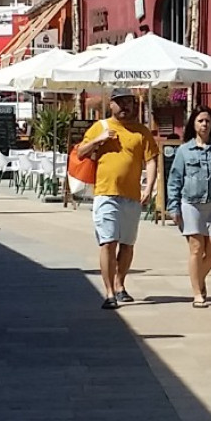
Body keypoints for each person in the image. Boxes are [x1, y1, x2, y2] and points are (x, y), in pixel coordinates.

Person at [74, 93, 160, 308]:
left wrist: (149, 187)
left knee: (128, 244)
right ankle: (109, 292)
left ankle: (120, 284)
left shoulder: (142, 131)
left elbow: (150, 161)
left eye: (129, 103)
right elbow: (80, 153)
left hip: (132, 195)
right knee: (108, 242)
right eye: (120, 103)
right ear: (111, 104)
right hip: (106, 193)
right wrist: (98, 140)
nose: (125, 107)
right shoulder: (100, 127)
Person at [166, 105, 211, 308]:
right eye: (200, 121)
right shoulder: (184, 151)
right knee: (196, 248)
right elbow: (175, 180)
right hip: (191, 204)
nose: (204, 124)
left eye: (207, 121)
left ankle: (199, 277)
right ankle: (197, 293)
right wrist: (174, 208)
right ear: (194, 124)